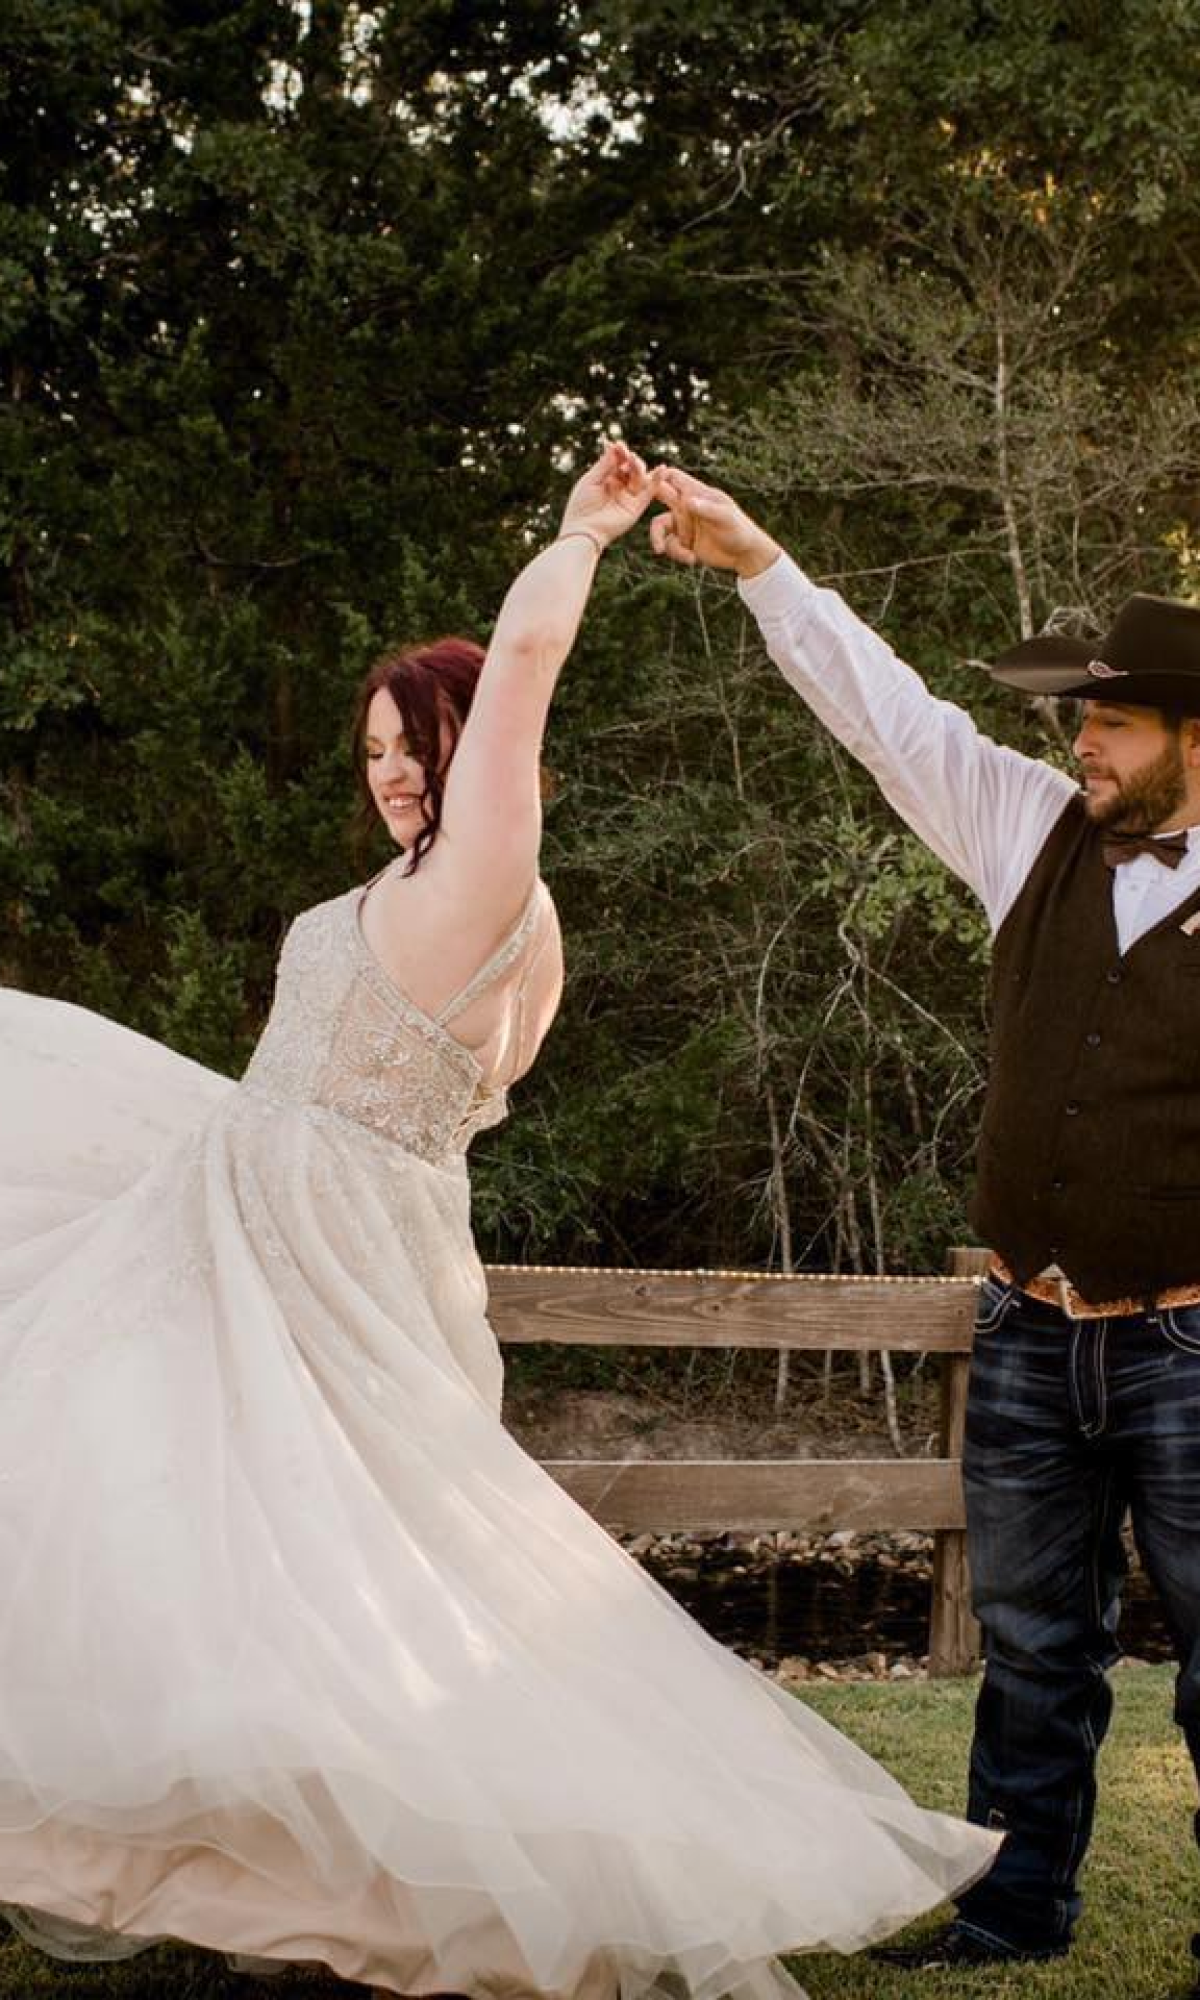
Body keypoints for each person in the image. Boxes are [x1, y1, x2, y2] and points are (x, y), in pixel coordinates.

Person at [0, 441, 995, 2000]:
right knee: (180, 1524)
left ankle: (413, 1860)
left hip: (317, 1253)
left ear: (486, 751)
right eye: (379, 746)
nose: (396, 769)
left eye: (425, 740)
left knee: (299, 1543)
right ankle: (253, 1848)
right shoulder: (422, 880)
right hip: (238, 1211)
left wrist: (582, 535)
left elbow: (528, 656)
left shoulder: (486, 877)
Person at [648, 464, 1200, 1989]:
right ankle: (1012, 1916)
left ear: (1193, 740)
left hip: (1194, 1343)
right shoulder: (1029, 828)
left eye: (1114, 720)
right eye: (1077, 717)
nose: (1077, 740)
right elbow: (884, 710)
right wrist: (760, 556)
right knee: (1030, 1654)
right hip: (1028, 1327)